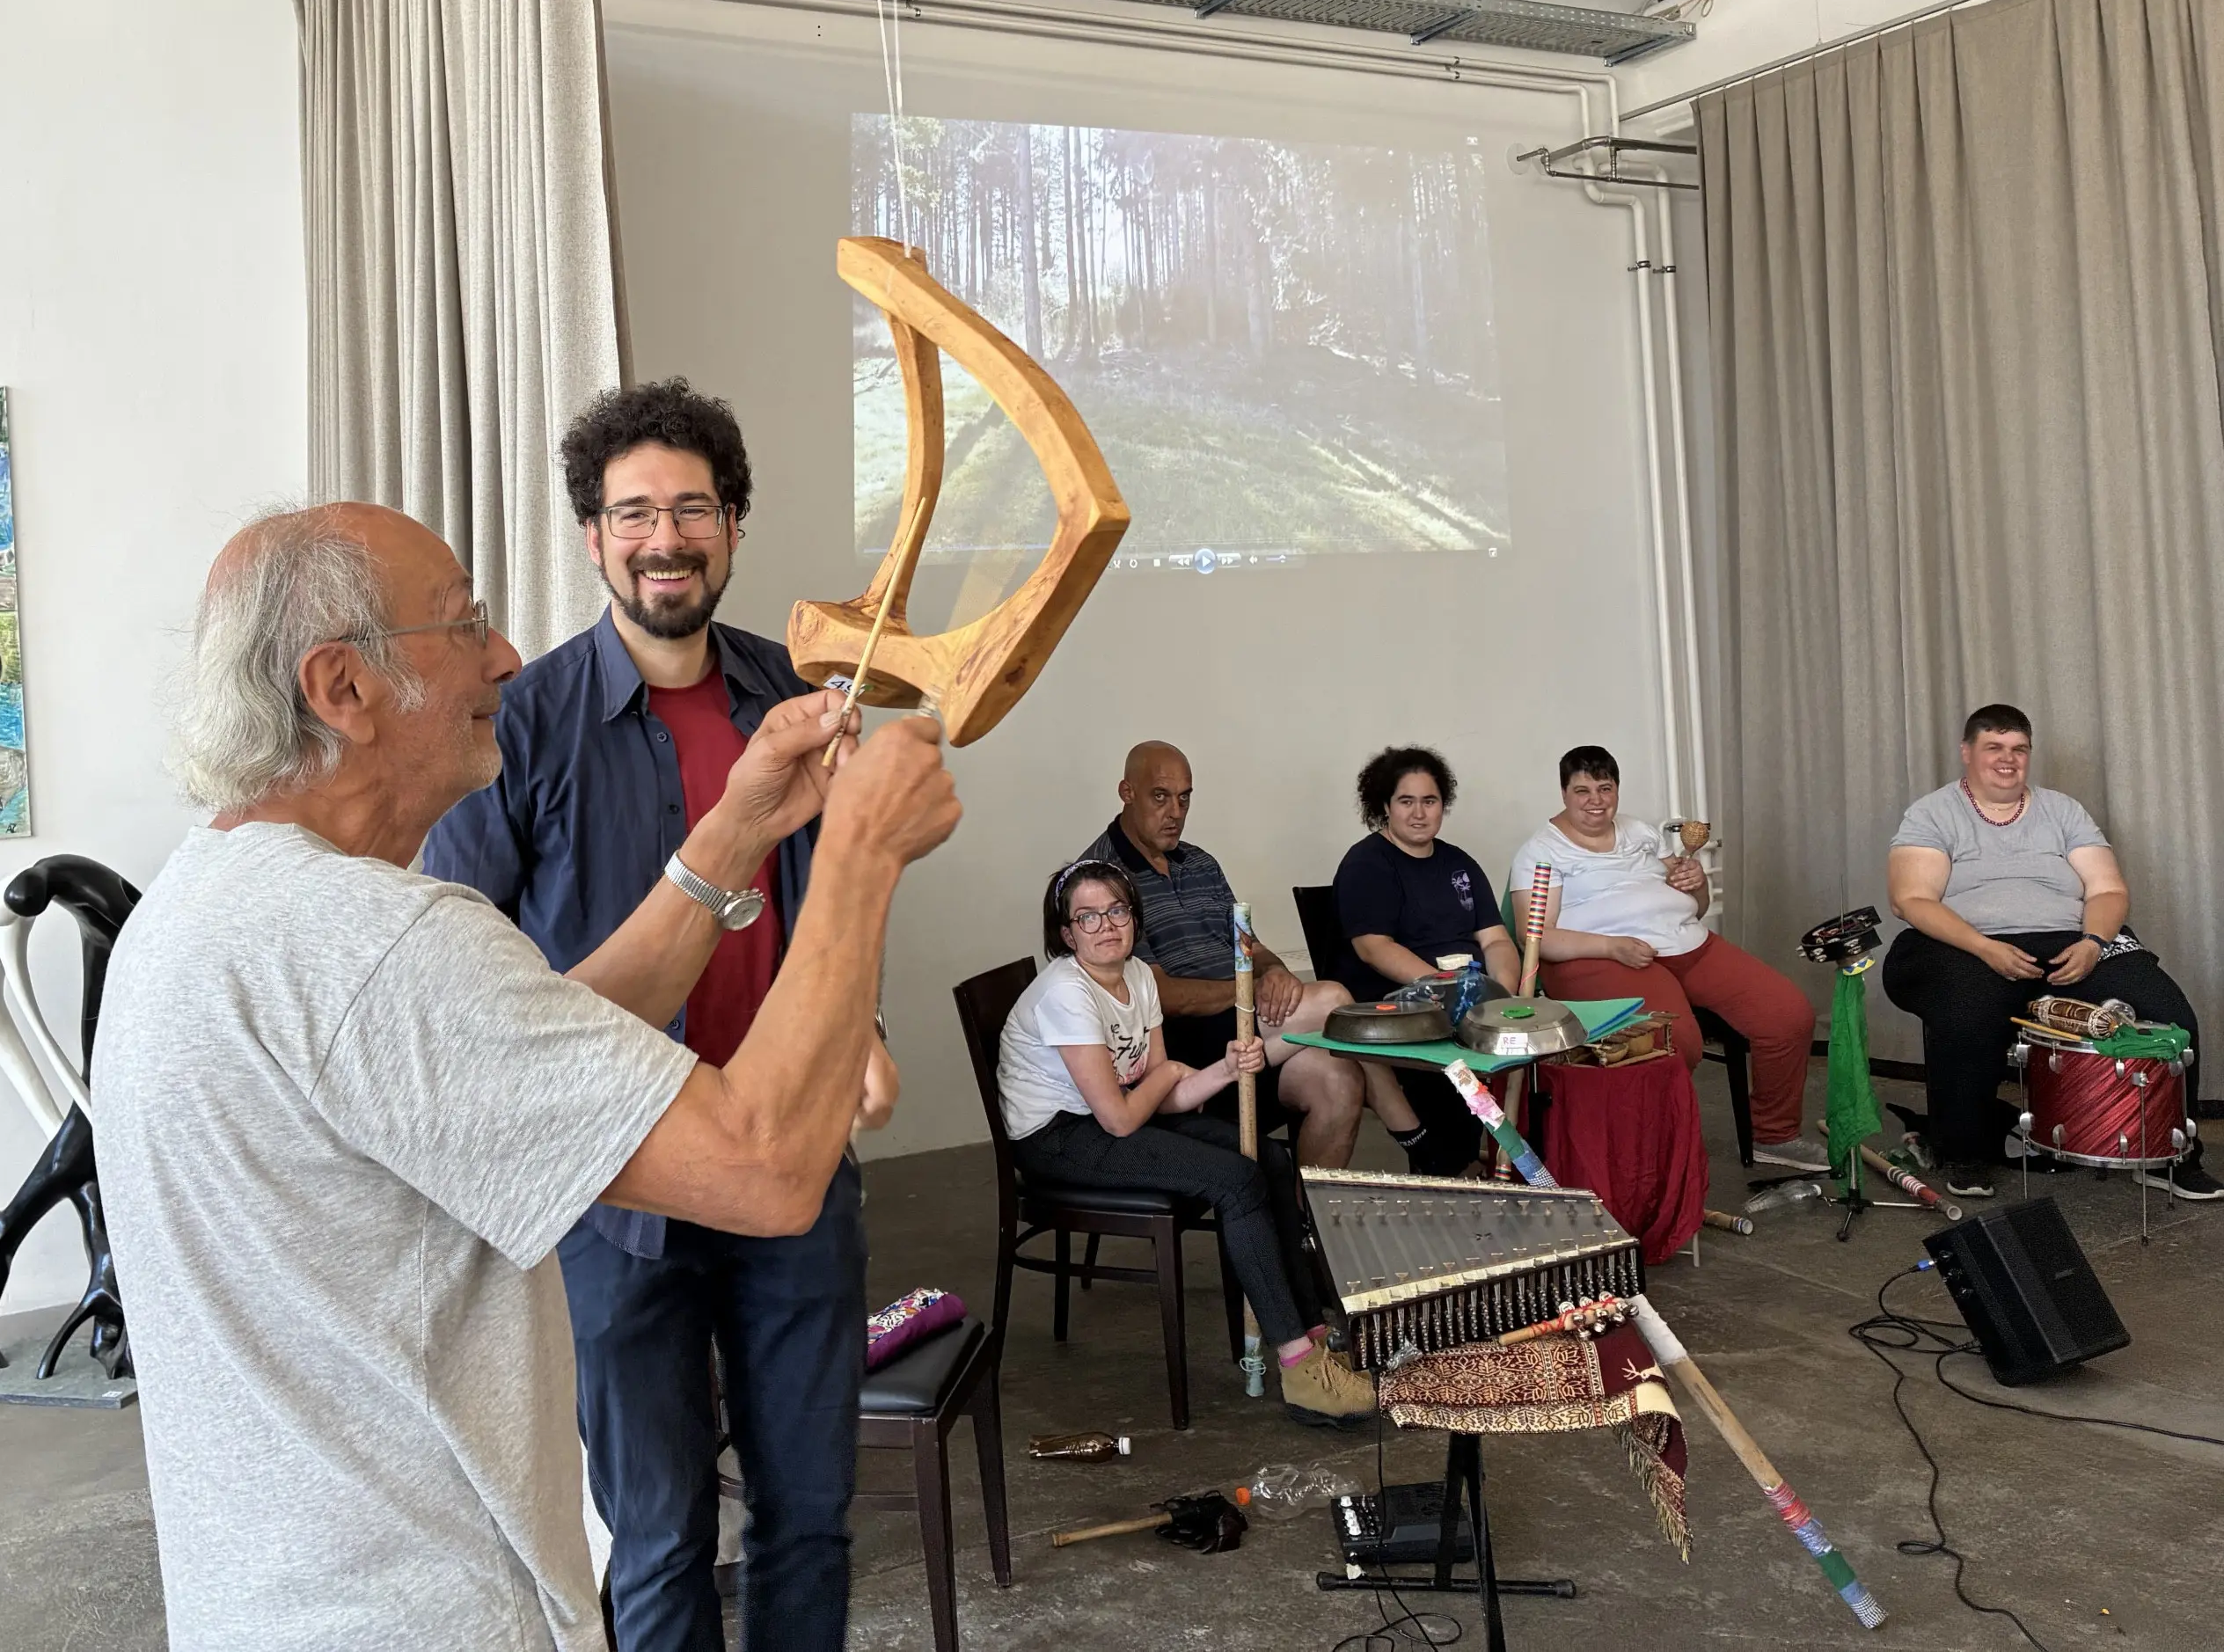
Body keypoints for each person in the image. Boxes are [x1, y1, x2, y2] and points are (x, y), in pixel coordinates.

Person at [93, 501, 960, 1652]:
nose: (504, 655)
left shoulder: (209, 903)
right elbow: (763, 1165)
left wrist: (734, 832)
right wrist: (856, 852)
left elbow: (537, 1055)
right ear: (341, 686)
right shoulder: (373, 944)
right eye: (462, 624)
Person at [421, 380, 896, 1652]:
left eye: (692, 506)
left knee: (810, 1518)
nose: (664, 536)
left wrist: (869, 1032)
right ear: (591, 535)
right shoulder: (518, 727)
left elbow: (834, 907)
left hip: (795, 1167)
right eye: (633, 511)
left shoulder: (800, 700)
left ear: (733, 524)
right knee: (659, 1532)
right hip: (616, 1196)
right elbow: (460, 967)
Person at [999, 859, 1376, 1424]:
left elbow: (1166, 1094)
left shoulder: (1140, 978)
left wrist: (1224, 1069)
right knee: (1234, 1179)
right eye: (1088, 916)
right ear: (1066, 933)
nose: (1106, 925)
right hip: (1058, 1137)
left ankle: (1315, 1337)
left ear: (1134, 916)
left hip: (1114, 1116)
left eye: (1118, 910)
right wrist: (1169, 1074)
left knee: (1268, 1158)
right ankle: (1300, 1371)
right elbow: (1123, 1119)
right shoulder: (1065, 995)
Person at [1881, 703, 2218, 1200]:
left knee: (2171, 1014)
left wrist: (2094, 942)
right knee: (1969, 1010)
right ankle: (1967, 1151)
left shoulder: (2062, 810)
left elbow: (2106, 890)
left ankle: (2170, 1153)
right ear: (1967, 752)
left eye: (2018, 749)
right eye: (1993, 747)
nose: (2007, 760)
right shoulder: (1932, 813)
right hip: (1965, 942)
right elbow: (1910, 900)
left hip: (2070, 939)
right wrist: (1984, 948)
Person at [1078, 741, 1416, 1166]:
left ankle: (1301, 1228)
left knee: (1339, 1079)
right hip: (1184, 1048)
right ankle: (1414, 1137)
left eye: (1185, 798)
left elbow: (1248, 945)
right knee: (1333, 1000)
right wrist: (1249, 991)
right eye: (1160, 797)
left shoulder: (1199, 863)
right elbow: (1160, 996)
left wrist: (1273, 971)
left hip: (1247, 1027)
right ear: (1127, 792)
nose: (1175, 812)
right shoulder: (1105, 881)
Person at [1512, 745, 1825, 1171]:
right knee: (1675, 1044)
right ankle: (1657, 1158)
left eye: (1605, 788)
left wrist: (1697, 884)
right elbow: (1537, 939)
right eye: (1582, 790)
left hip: (1683, 942)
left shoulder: (1641, 832)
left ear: (1617, 789)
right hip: (1599, 957)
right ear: (1564, 793)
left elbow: (1694, 904)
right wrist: (1611, 946)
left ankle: (1774, 1134)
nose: (1595, 801)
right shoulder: (1542, 853)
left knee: (1789, 1014)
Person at [1332, 746, 1520, 1174]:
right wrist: (1450, 990)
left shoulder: (1460, 863)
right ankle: (1448, 1163)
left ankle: (1515, 1167)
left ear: (1443, 805)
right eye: (1406, 801)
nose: (1419, 813)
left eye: (1429, 801)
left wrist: (1500, 996)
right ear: (1385, 806)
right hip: (1405, 1008)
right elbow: (1374, 948)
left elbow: (1495, 940)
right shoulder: (1367, 863)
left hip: (1470, 1002)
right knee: (1453, 1115)